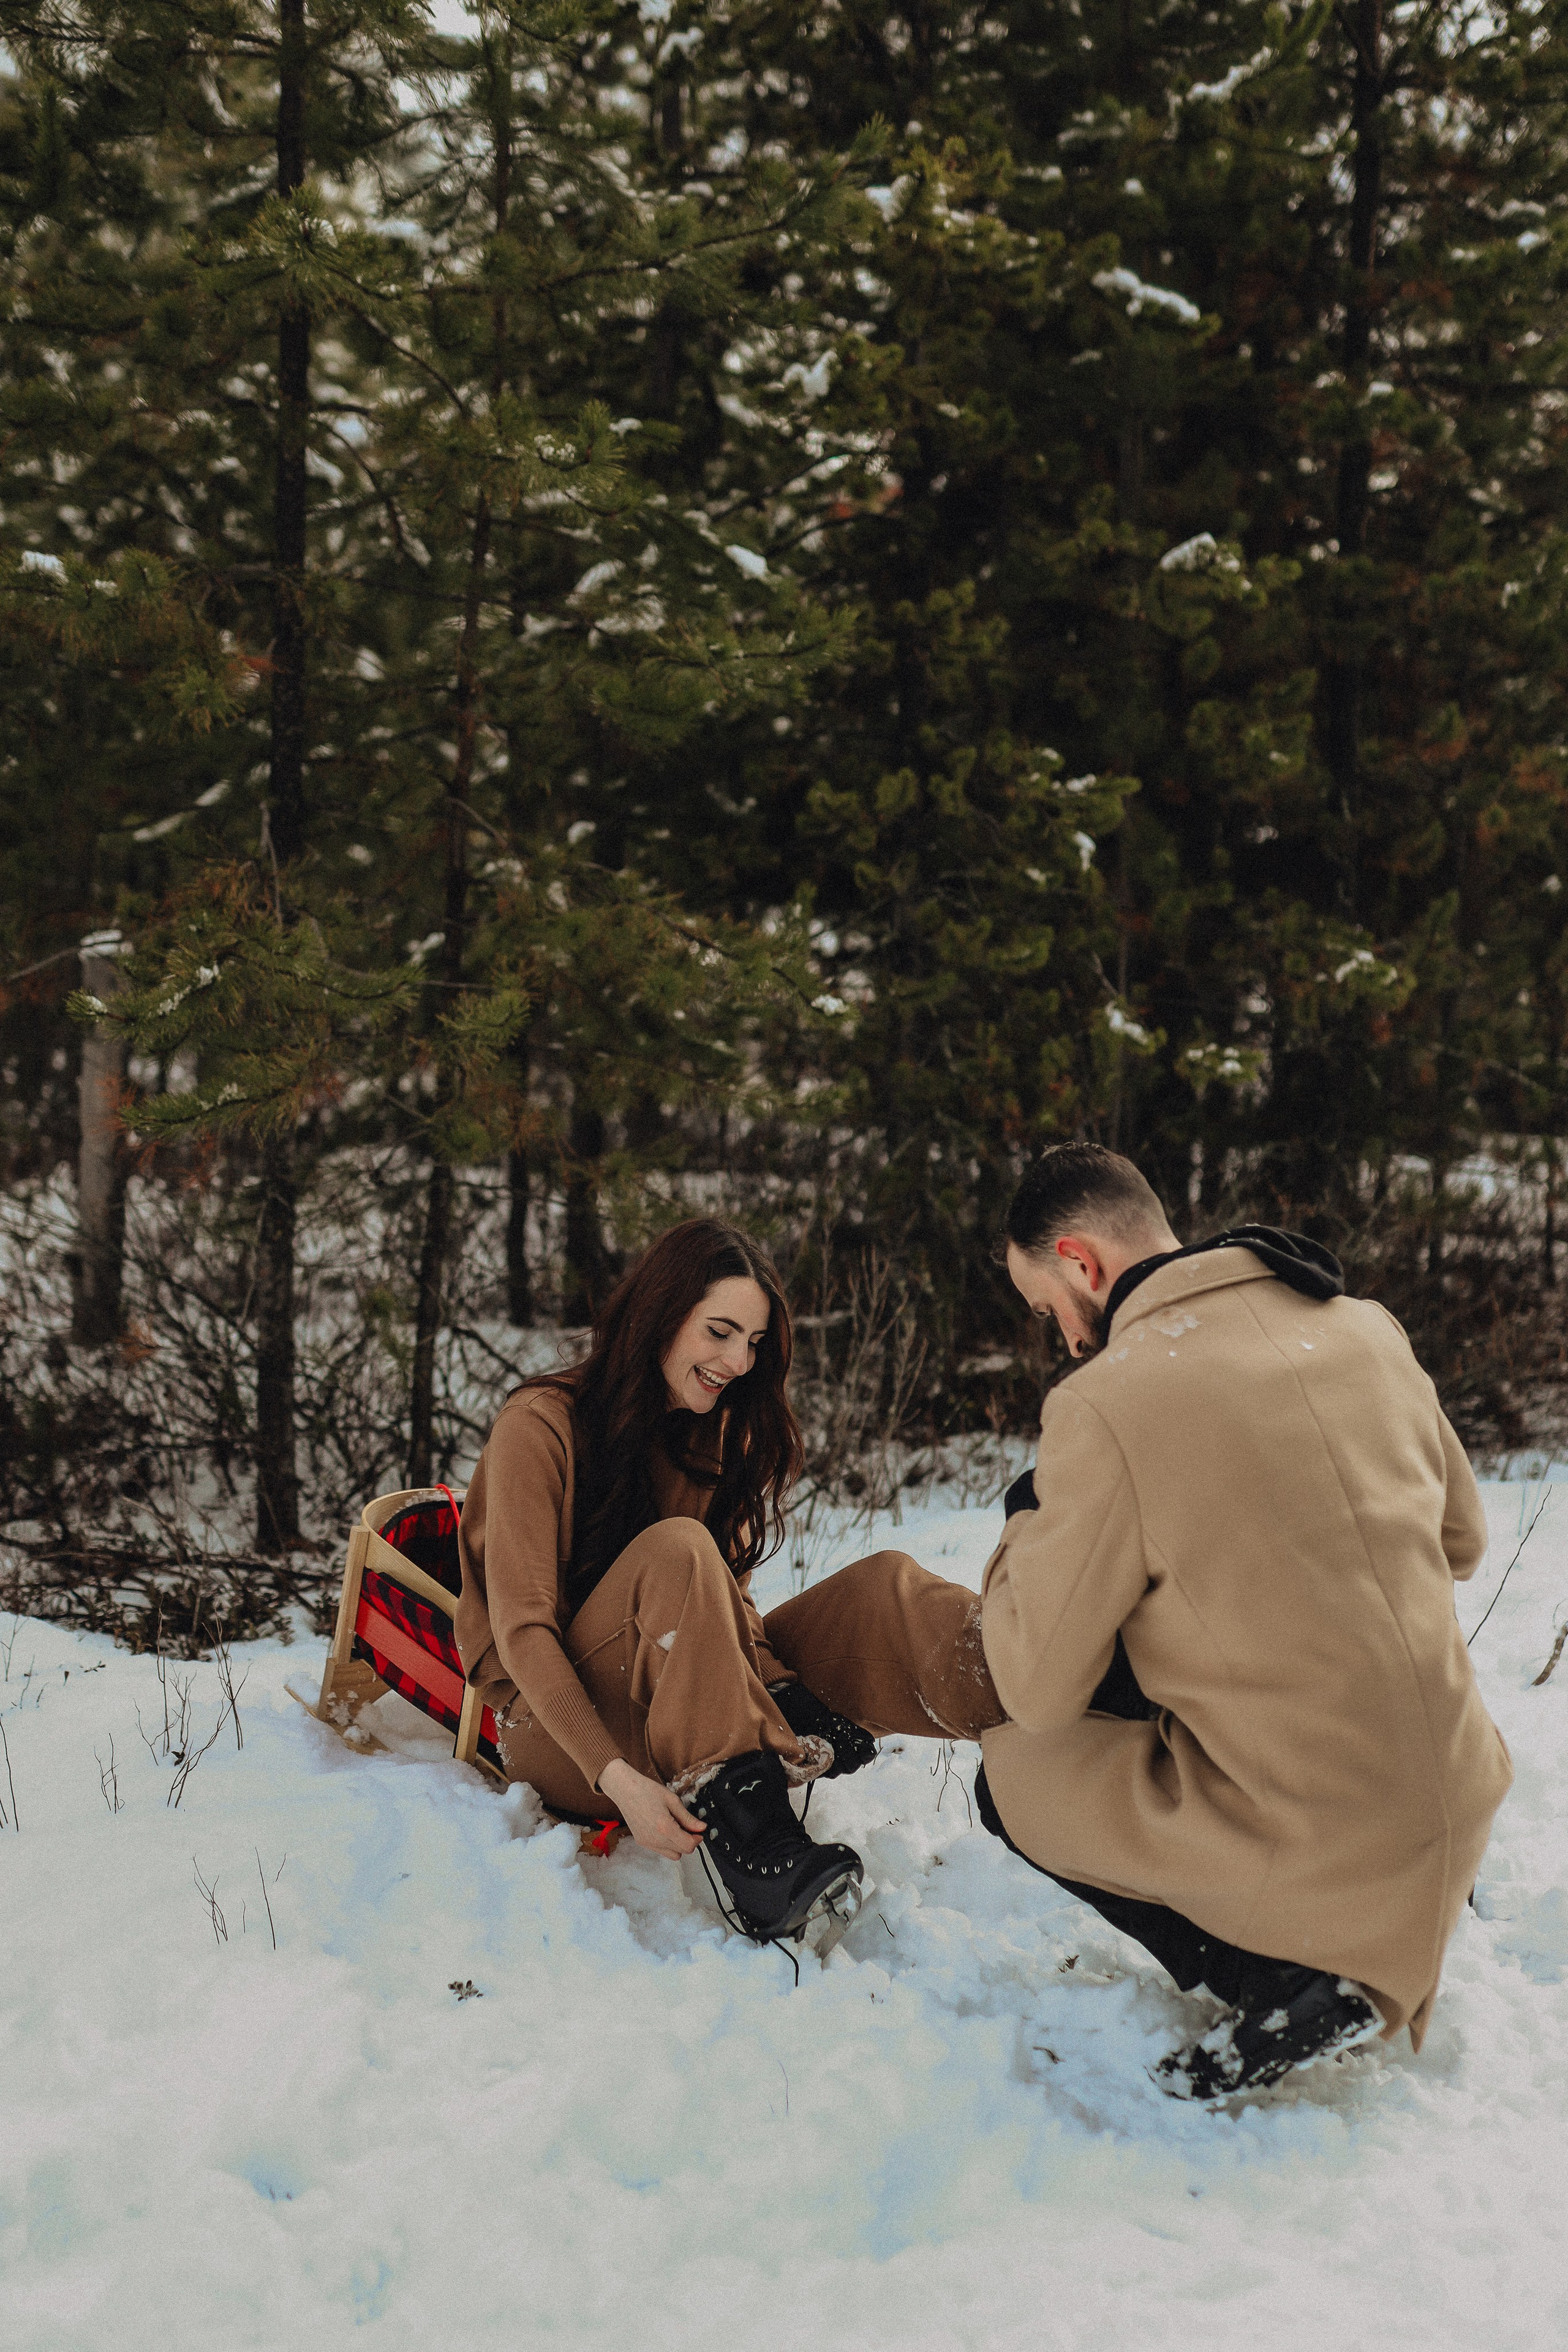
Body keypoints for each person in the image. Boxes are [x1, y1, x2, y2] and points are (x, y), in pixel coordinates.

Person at [975, 1140, 1514, 2102]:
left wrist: (1028, 1522)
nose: (1058, 1335)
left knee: (1013, 1769)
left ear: (1081, 1262)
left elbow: (1038, 1685)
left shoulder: (1107, 1401)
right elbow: (1462, 1542)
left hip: (1321, 1831)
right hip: (1457, 1798)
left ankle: (1285, 1976)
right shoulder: (1364, 1329)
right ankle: (1345, 1924)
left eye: (1045, 1305)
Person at [455, 1217, 1004, 1953]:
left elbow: (725, 1598)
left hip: (686, 1697)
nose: (738, 1362)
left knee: (881, 1590)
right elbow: (522, 1633)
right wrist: (617, 1779)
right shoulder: (540, 1426)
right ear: (660, 1313)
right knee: (680, 1550)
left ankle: (1035, 1679)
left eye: (751, 1343)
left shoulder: (710, 1425)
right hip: (564, 1736)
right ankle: (757, 1860)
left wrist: (778, 1683)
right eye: (719, 1332)